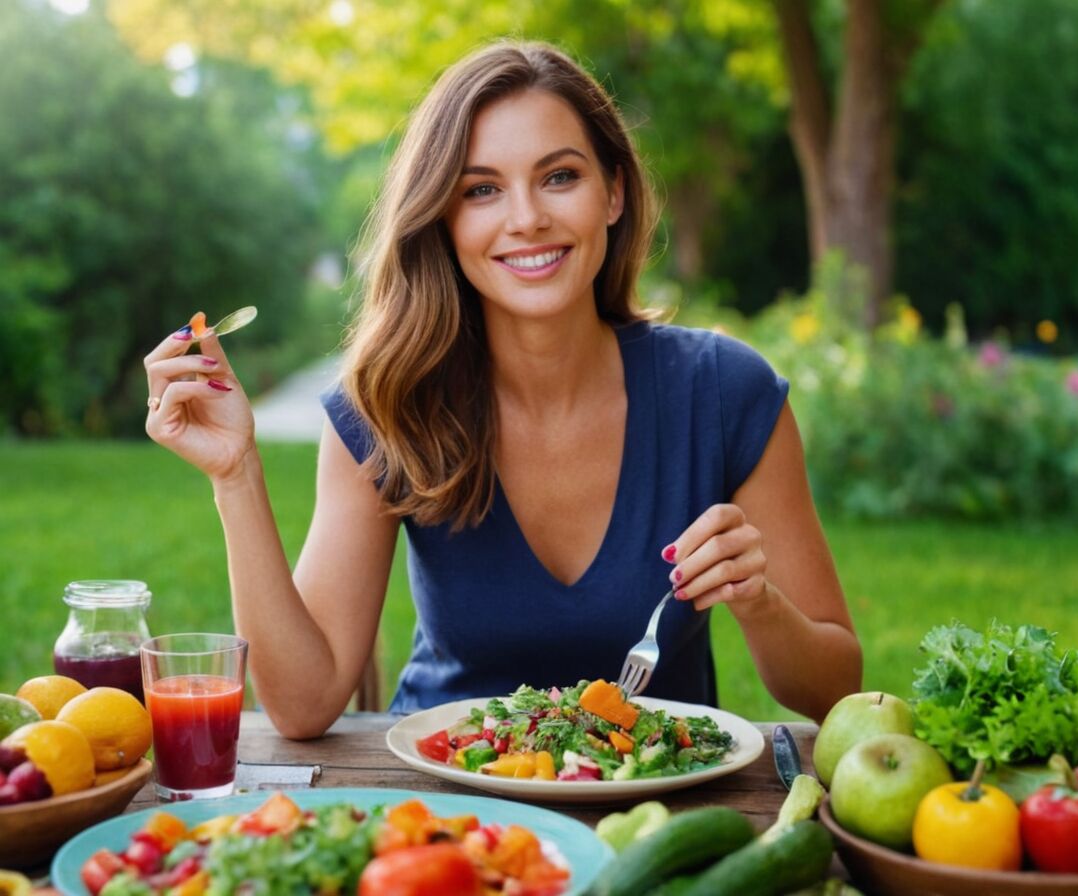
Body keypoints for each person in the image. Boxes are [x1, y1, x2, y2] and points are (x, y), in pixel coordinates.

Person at [144, 40, 861, 739]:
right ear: (445, 219)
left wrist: (759, 602)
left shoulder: (724, 392)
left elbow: (837, 689)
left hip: (652, 810)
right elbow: (304, 703)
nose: (526, 218)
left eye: (560, 177)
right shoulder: (388, 407)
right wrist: (235, 473)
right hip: (443, 808)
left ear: (613, 192)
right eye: (482, 189)